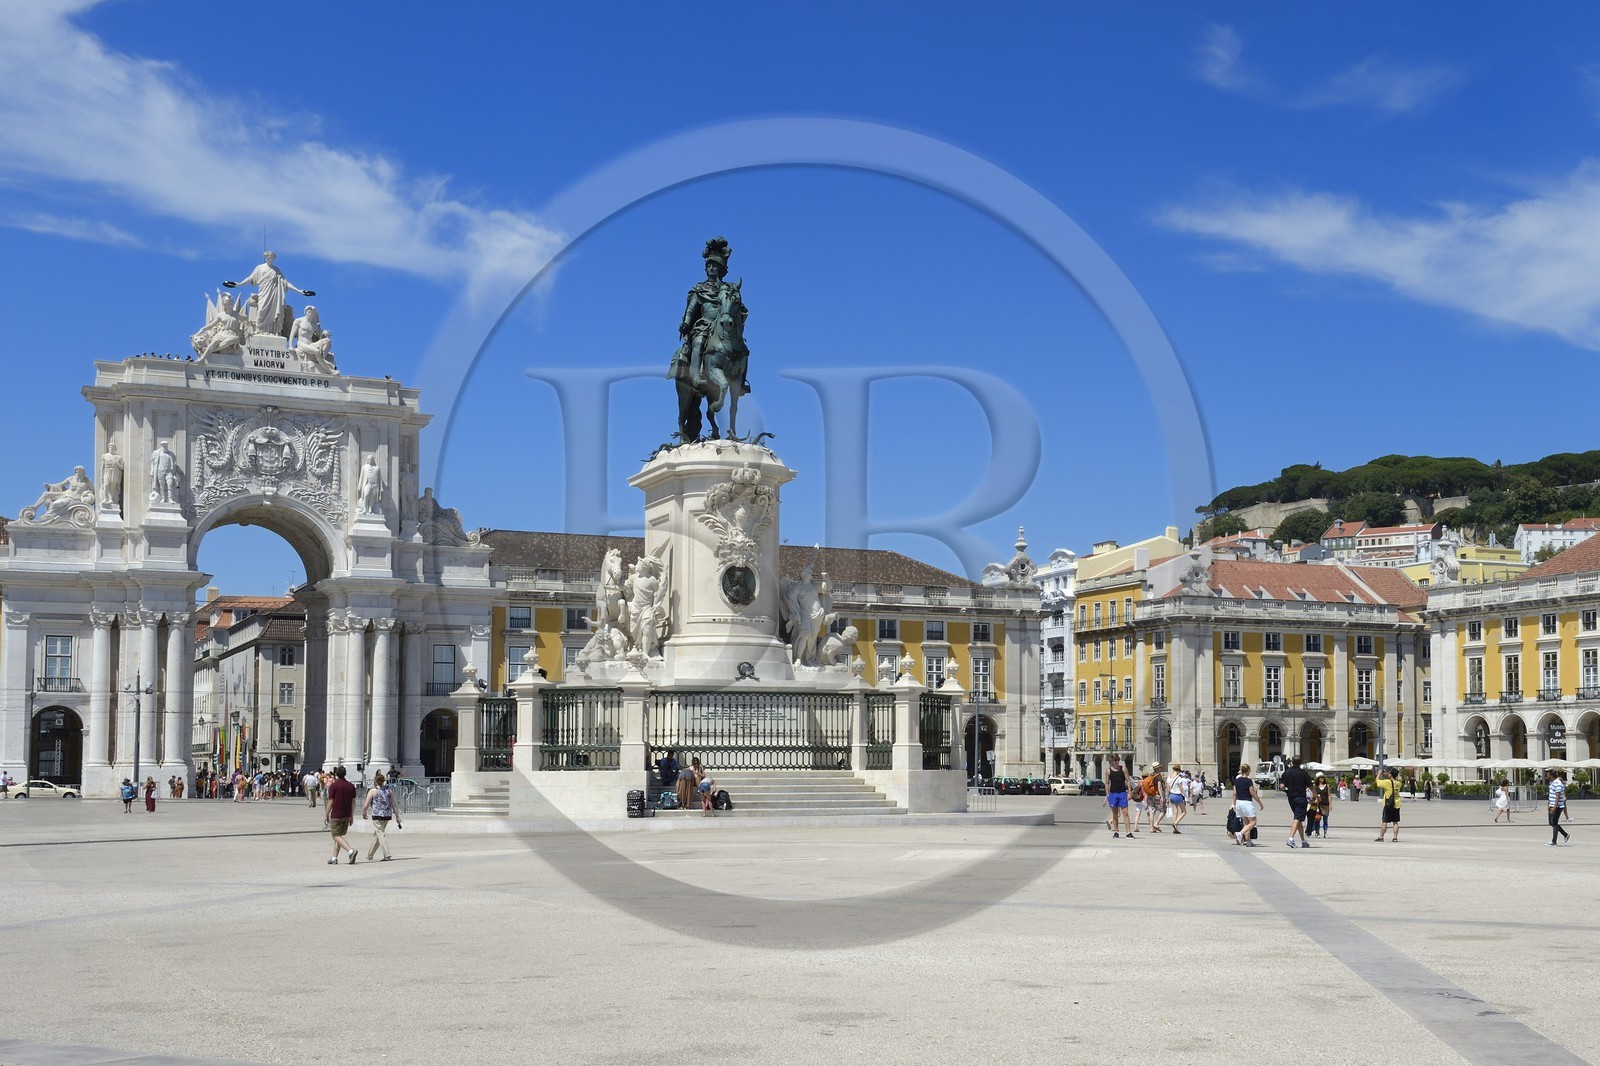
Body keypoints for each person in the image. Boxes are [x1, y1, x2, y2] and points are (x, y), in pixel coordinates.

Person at [223, 251, 316, 338]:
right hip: (264, 293)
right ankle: (259, 330)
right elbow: (251, 278)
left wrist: (299, 290)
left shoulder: (276, 270)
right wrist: (239, 284)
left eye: (271, 257)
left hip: (274, 295)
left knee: (274, 313)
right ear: (265, 257)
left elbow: (285, 283)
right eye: (268, 257)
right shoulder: (260, 268)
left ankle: (272, 332)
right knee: (261, 311)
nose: (269, 259)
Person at [362, 771, 402, 861]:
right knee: (378, 834)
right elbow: (394, 804)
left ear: (375, 781)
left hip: (377, 815)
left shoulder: (373, 791)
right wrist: (397, 816)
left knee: (380, 834)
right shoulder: (389, 791)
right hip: (387, 815)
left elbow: (366, 805)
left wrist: (364, 813)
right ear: (384, 781)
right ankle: (370, 855)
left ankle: (387, 854)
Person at [324, 765, 358, 865]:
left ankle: (351, 851)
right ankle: (334, 858)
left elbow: (330, 801)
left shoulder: (334, 786)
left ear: (336, 775)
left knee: (335, 835)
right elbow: (353, 802)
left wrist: (326, 814)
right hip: (347, 814)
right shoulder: (351, 786)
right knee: (339, 836)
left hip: (337, 814)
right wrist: (351, 815)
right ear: (345, 774)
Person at [1279, 756, 1312, 849]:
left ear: (1292, 762)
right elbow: (1310, 786)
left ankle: (1303, 841)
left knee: (1299, 819)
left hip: (1291, 798)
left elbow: (1281, 786)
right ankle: (1290, 838)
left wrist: (1286, 789)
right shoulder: (1303, 773)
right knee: (1297, 818)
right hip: (1301, 798)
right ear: (1301, 762)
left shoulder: (1286, 772)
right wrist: (1316, 795)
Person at [1233, 764, 1263, 846]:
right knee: (1253, 822)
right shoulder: (1248, 781)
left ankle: (1248, 840)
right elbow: (1253, 793)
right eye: (1250, 770)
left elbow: (1235, 793)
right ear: (1247, 771)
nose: (1250, 772)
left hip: (1239, 802)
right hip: (1247, 802)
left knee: (1246, 823)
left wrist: (1234, 804)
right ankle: (1240, 834)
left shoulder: (1236, 781)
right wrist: (1260, 803)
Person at [1105, 755, 1132, 838]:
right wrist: (1107, 794)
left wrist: (1129, 793)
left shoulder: (1123, 769)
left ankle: (1128, 832)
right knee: (1115, 814)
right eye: (1115, 760)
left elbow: (1128, 780)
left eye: (1118, 760)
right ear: (1112, 761)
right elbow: (1107, 783)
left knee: (1125, 813)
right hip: (1113, 793)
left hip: (1122, 793)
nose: (1117, 762)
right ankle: (1116, 832)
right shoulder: (1108, 771)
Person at [1373, 768, 1402, 842]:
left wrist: (1379, 773)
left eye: (1389, 773)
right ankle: (1395, 837)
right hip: (1396, 804)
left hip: (1388, 804)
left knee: (1385, 821)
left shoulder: (1387, 782)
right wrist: (1387, 774)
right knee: (1395, 822)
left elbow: (1377, 782)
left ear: (1391, 774)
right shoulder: (1399, 783)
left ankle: (1381, 837)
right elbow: (1392, 780)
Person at [1546, 769, 1572, 847]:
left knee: (1554, 823)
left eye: (1548, 774)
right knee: (1552, 823)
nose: (1547, 776)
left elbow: (1557, 796)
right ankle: (1566, 835)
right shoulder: (1552, 783)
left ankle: (1554, 841)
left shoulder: (1558, 783)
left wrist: (1554, 807)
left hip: (1557, 807)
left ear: (1551, 775)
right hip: (1552, 805)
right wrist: (1548, 804)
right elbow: (1551, 795)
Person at [1165, 764, 1188, 834]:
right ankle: (1175, 823)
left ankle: (1175, 829)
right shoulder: (1179, 778)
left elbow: (1168, 789)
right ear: (1178, 770)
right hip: (1178, 796)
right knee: (1184, 812)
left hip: (1171, 796)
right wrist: (1186, 797)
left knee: (1175, 813)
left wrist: (1167, 798)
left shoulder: (1168, 778)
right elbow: (1181, 789)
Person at [1311, 774, 1333, 838]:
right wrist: (1315, 798)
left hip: (1325, 804)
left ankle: (1325, 833)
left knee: (1325, 820)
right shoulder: (1315, 786)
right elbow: (1313, 795)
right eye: (1320, 778)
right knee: (1317, 819)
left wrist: (1330, 805)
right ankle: (1317, 832)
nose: (1322, 779)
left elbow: (1329, 795)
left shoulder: (1327, 786)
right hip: (1318, 805)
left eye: (1323, 778)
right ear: (1318, 779)